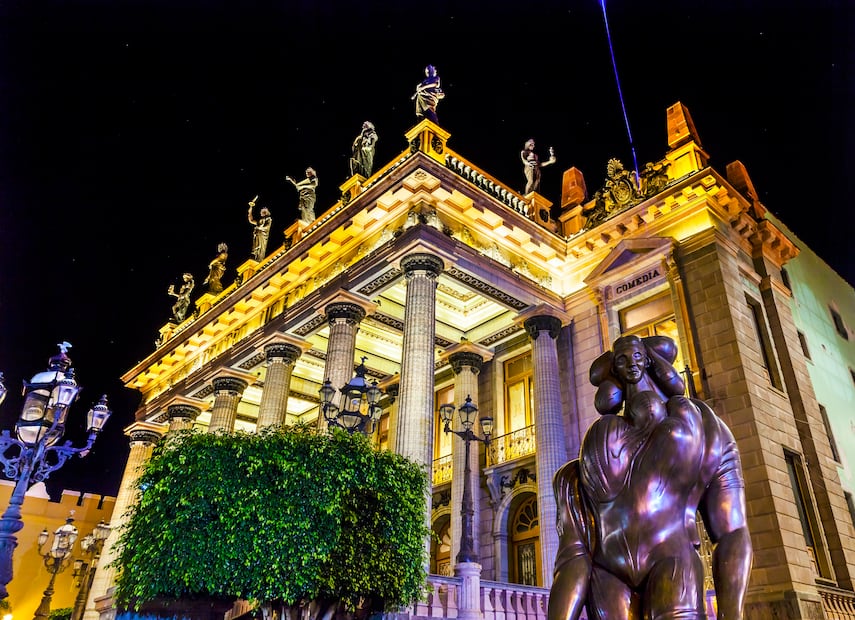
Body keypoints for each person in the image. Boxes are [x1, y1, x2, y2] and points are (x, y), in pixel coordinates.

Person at [548, 334, 752, 620]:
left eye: (637, 357)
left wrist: (731, 614)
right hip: (608, 574)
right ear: (615, 368)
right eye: (622, 360)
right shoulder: (580, 464)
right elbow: (574, 555)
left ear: (647, 360)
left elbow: (732, 531)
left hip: (670, 562)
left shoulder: (703, 427)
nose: (631, 365)